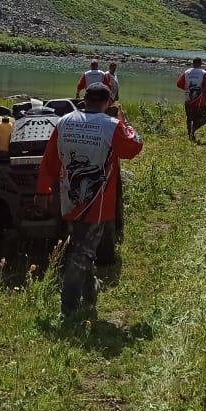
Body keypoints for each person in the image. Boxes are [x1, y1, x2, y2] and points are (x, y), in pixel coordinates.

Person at [36, 83, 143, 319]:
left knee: (81, 246)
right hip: (97, 203)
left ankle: (90, 293)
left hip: (69, 199)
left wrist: (44, 190)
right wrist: (125, 122)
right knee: (81, 253)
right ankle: (69, 306)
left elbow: (49, 160)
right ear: (108, 104)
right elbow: (133, 148)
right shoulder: (112, 126)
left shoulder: (64, 121)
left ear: (84, 100)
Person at [177, 57, 206, 141]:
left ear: (193, 63)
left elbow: (179, 84)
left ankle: (190, 135)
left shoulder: (187, 72)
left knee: (189, 117)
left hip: (188, 99)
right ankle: (193, 130)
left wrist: (188, 89)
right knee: (203, 118)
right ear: (200, 63)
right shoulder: (203, 73)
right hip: (200, 100)